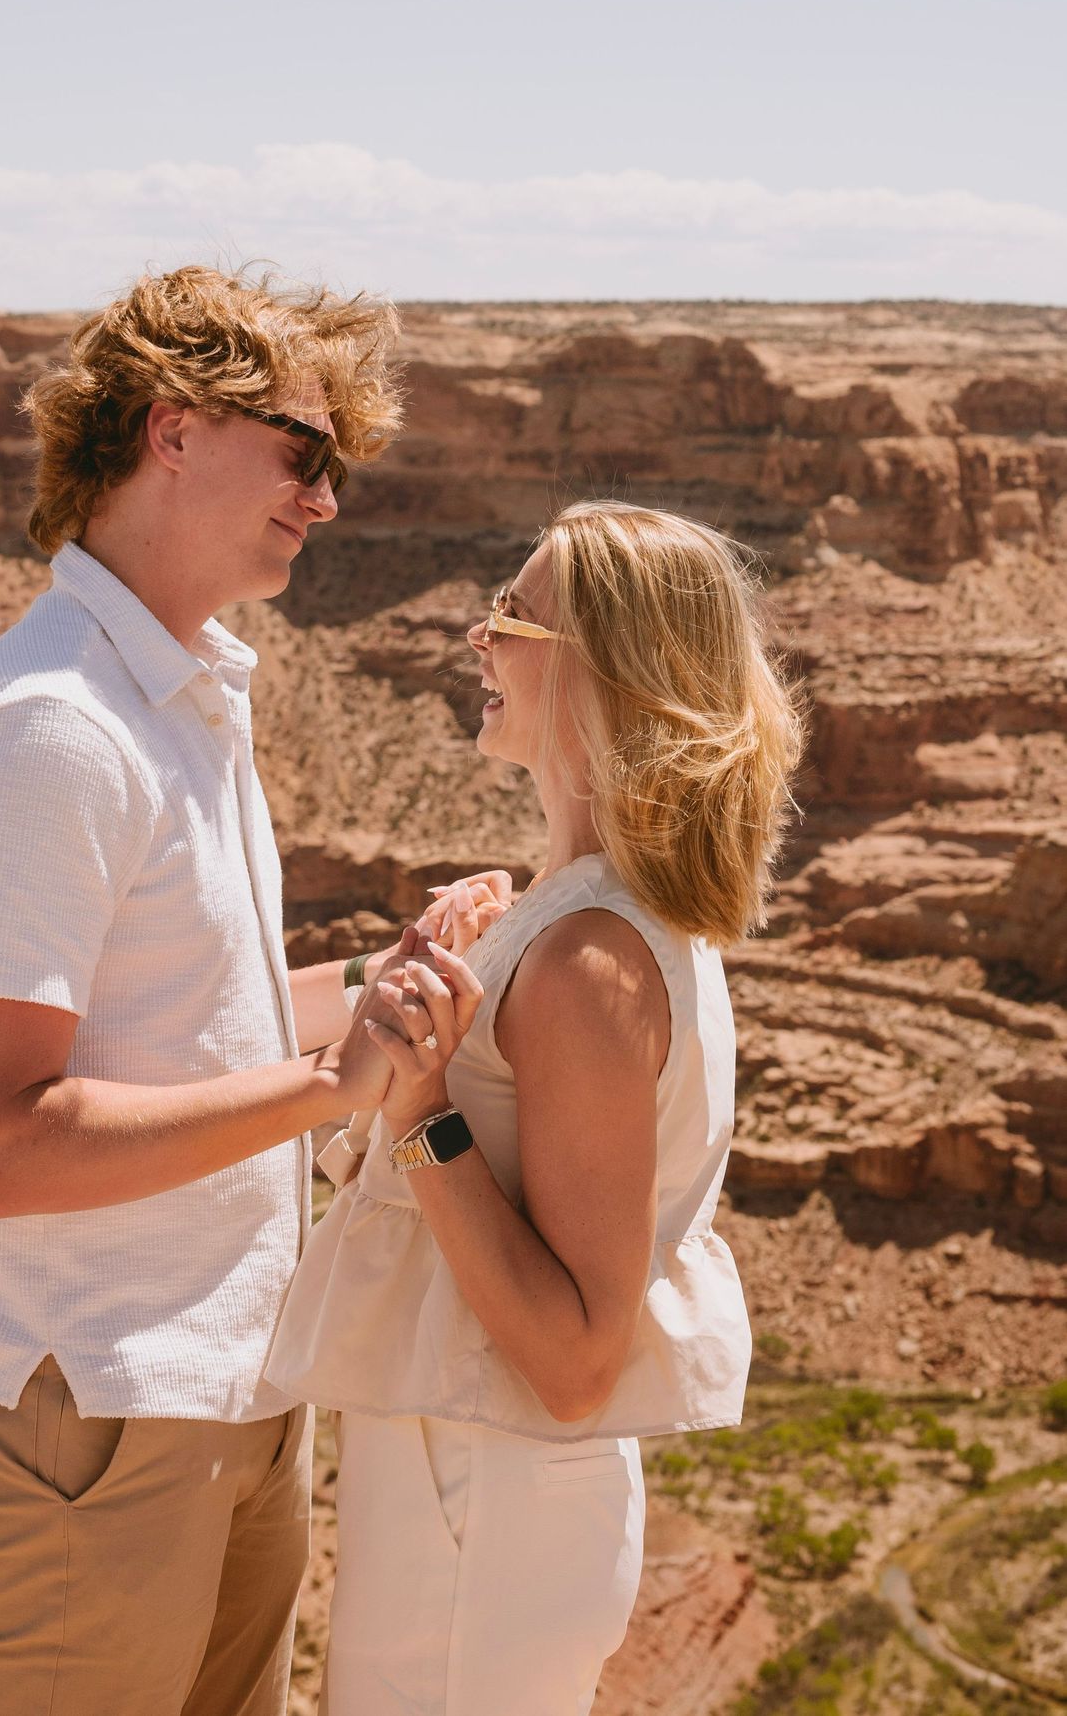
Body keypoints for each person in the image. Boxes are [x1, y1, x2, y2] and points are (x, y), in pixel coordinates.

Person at [0, 263, 415, 1715]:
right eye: (303, 453)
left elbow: (200, 1024)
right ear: (173, 431)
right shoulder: (55, 727)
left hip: (222, 1378)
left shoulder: (178, 691)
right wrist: (331, 1085)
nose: (324, 499)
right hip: (91, 1403)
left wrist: (390, 980)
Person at [267, 500, 806, 1716]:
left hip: (494, 1501)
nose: (477, 637)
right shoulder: (576, 916)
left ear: (606, 674)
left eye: (513, 617)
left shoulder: (588, 960)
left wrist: (420, 1108)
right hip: (469, 1477)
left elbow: (573, 1362)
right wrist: (397, 977)